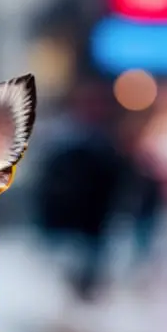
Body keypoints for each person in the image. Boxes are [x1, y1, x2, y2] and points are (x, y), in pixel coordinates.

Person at [33, 83, 126, 300]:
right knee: (72, 263)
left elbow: (115, 180)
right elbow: (48, 184)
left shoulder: (103, 143)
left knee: (86, 263)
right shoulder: (64, 142)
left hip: (93, 220)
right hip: (71, 221)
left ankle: (83, 296)